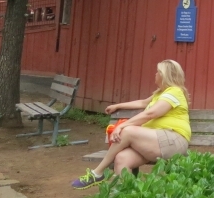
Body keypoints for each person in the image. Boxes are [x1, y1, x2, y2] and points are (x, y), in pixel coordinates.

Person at [71, 60, 191, 188]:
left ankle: (97, 172)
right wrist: (118, 105)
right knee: (122, 159)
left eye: (158, 72)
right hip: (155, 143)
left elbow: (151, 114)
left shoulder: (174, 92)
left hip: (173, 141)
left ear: (164, 75)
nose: (155, 74)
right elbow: (142, 103)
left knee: (128, 131)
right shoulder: (160, 94)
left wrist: (123, 126)